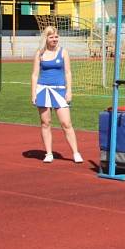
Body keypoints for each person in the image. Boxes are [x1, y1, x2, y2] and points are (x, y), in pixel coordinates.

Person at [31, 26, 83, 163]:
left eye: (56, 36)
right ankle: (48, 153)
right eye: (51, 37)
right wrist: (33, 93)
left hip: (59, 91)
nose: (54, 39)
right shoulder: (39, 53)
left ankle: (76, 152)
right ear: (46, 39)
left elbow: (68, 73)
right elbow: (35, 75)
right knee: (45, 122)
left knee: (66, 123)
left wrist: (69, 90)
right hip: (43, 90)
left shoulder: (63, 52)